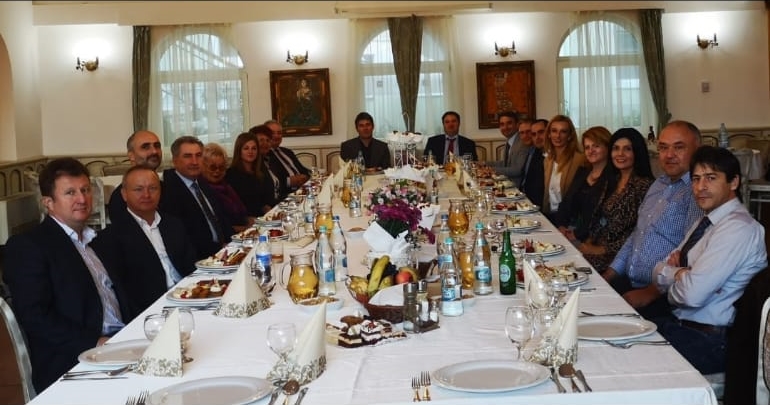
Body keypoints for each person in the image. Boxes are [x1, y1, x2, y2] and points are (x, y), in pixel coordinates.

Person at [3, 158, 133, 392]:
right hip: (74, 359)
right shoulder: (29, 246)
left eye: (85, 190)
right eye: (70, 193)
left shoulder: (97, 240)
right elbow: (35, 316)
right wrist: (96, 342)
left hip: (120, 341)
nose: (82, 199)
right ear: (48, 203)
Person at [652, 145, 767, 374]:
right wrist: (681, 274)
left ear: (733, 182)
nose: (700, 187)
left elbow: (692, 296)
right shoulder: (706, 222)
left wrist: (673, 280)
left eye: (711, 178)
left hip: (709, 340)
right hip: (683, 327)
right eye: (696, 179)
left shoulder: (738, 228)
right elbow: (656, 271)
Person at [602, 120, 703, 319]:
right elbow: (637, 234)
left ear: (697, 150)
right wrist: (609, 273)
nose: (669, 155)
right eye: (663, 148)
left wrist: (651, 292)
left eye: (678, 147)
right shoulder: (658, 184)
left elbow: (693, 253)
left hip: (662, 296)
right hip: (629, 281)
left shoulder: (697, 191)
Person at [92, 166, 197, 314]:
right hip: (152, 309)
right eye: (138, 189)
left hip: (190, 297)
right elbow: (125, 292)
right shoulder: (111, 237)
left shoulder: (174, 224)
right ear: (124, 194)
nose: (146, 195)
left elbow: (191, 265)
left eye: (153, 188)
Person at [576, 128, 654, 272]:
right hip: (596, 245)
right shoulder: (612, 179)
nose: (620, 154)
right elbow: (599, 217)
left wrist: (601, 249)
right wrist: (589, 241)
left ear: (637, 152)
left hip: (618, 257)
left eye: (627, 149)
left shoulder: (644, 186)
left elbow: (639, 232)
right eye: (616, 148)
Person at [159, 136, 234, 259]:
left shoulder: (201, 182)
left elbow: (221, 219)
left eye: (198, 155)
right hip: (202, 259)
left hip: (225, 252)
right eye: (187, 156)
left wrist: (234, 244)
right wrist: (219, 249)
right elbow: (186, 237)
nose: (194, 162)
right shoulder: (168, 191)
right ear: (175, 160)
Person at [554, 126, 611, 242]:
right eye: (587, 147)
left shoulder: (612, 178)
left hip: (593, 238)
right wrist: (561, 225)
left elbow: (602, 216)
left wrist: (577, 234)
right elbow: (566, 202)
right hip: (570, 230)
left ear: (607, 147)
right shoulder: (582, 172)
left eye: (596, 146)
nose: (591, 151)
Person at [107, 130, 163, 220]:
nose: (154, 151)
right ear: (131, 155)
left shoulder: (169, 188)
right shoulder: (122, 197)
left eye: (157, 146)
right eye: (145, 147)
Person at [542, 115, 587, 220]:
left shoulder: (580, 159)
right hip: (550, 214)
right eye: (554, 131)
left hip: (569, 218)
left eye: (563, 132)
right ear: (549, 134)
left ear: (570, 136)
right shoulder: (548, 160)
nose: (558, 136)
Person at [202, 142, 253, 233]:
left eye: (221, 167)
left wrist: (253, 222)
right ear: (203, 167)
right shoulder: (203, 191)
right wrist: (246, 229)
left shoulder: (226, 186)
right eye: (213, 167)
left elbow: (243, 215)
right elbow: (219, 227)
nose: (217, 171)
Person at [228, 129, 280, 213]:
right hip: (246, 217)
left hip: (265, 215)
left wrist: (266, 207)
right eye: (246, 148)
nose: (250, 152)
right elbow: (235, 206)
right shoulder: (231, 175)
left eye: (254, 148)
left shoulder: (260, 172)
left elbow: (266, 198)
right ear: (239, 151)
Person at [264, 120, 311, 194]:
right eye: (272, 133)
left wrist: (305, 176)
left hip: (302, 191)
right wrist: (289, 181)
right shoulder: (264, 155)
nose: (276, 136)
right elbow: (269, 182)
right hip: (285, 194)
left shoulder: (287, 151)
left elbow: (303, 169)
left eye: (279, 133)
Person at [485, 112, 529, 186]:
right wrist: (484, 164)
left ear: (517, 124)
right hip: (508, 184)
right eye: (502, 124)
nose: (505, 127)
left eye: (509, 123)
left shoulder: (522, 142)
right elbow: (505, 163)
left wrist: (490, 170)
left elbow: (517, 170)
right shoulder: (510, 140)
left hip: (517, 187)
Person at [520, 118, 547, 207]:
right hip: (527, 201)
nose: (537, 137)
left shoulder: (552, 155)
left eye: (541, 132)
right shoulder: (535, 151)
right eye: (534, 134)